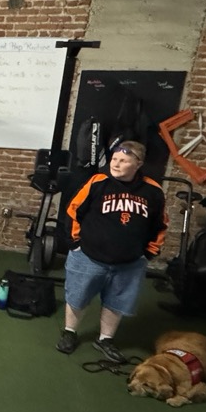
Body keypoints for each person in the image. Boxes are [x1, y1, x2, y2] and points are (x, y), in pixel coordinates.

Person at [56, 141, 167, 364]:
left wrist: (149, 252)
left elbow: (160, 224)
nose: (116, 164)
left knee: (117, 302)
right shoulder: (98, 182)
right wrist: (74, 243)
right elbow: (73, 211)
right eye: (114, 159)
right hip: (89, 256)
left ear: (138, 164)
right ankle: (70, 332)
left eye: (123, 161)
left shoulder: (153, 191)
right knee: (78, 297)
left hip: (130, 262)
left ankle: (105, 339)